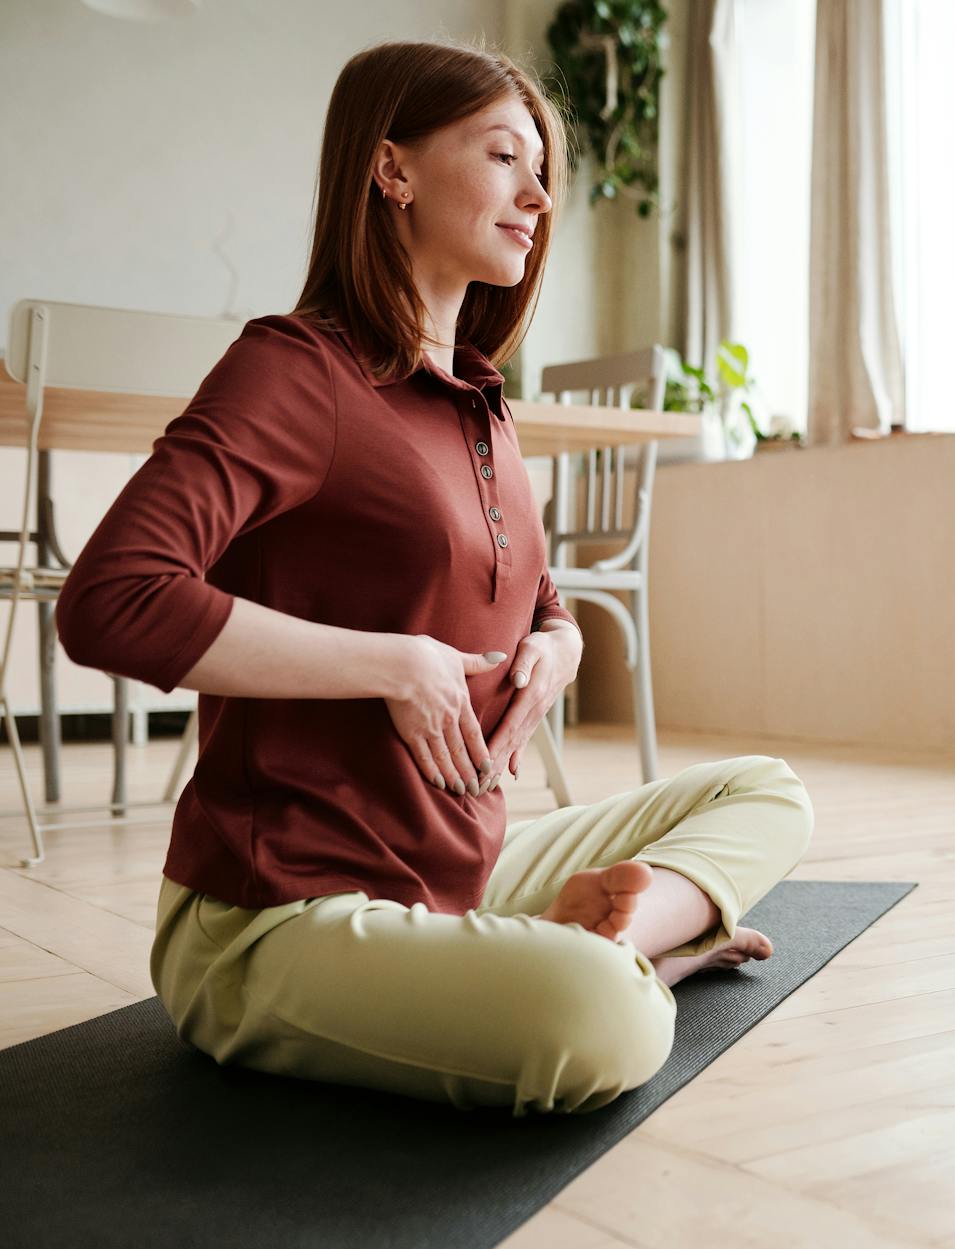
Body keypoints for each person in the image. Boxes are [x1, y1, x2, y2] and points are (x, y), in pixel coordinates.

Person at [52, 39, 813, 1117]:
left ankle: (604, 938)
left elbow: (528, 590)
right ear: (392, 169)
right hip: (282, 914)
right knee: (601, 1022)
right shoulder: (295, 369)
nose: (538, 196)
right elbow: (111, 597)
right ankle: (644, 956)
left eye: (540, 168)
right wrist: (392, 667)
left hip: (460, 866)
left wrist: (564, 640)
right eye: (505, 157)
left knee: (766, 790)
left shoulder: (480, 401)